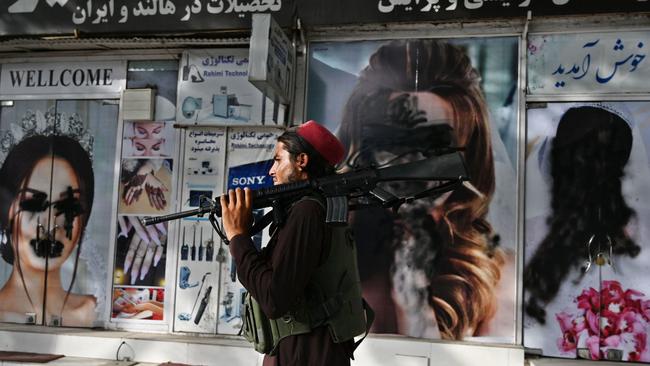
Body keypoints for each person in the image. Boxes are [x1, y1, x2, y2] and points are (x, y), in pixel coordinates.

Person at [337, 39, 509, 339]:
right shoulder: (333, 238)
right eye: (391, 144)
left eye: (433, 148)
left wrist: (413, 300)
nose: (409, 166)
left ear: (468, 154)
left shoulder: (492, 276)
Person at [220, 120, 369, 366]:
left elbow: (273, 299)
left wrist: (238, 238)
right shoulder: (317, 207)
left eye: (278, 160)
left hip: (303, 354)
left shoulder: (308, 211)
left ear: (301, 161)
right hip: (307, 351)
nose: (271, 170)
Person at [0, 135, 96, 326]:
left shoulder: (96, 311)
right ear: (8, 212)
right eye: (34, 203)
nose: (50, 223)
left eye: (68, 205)